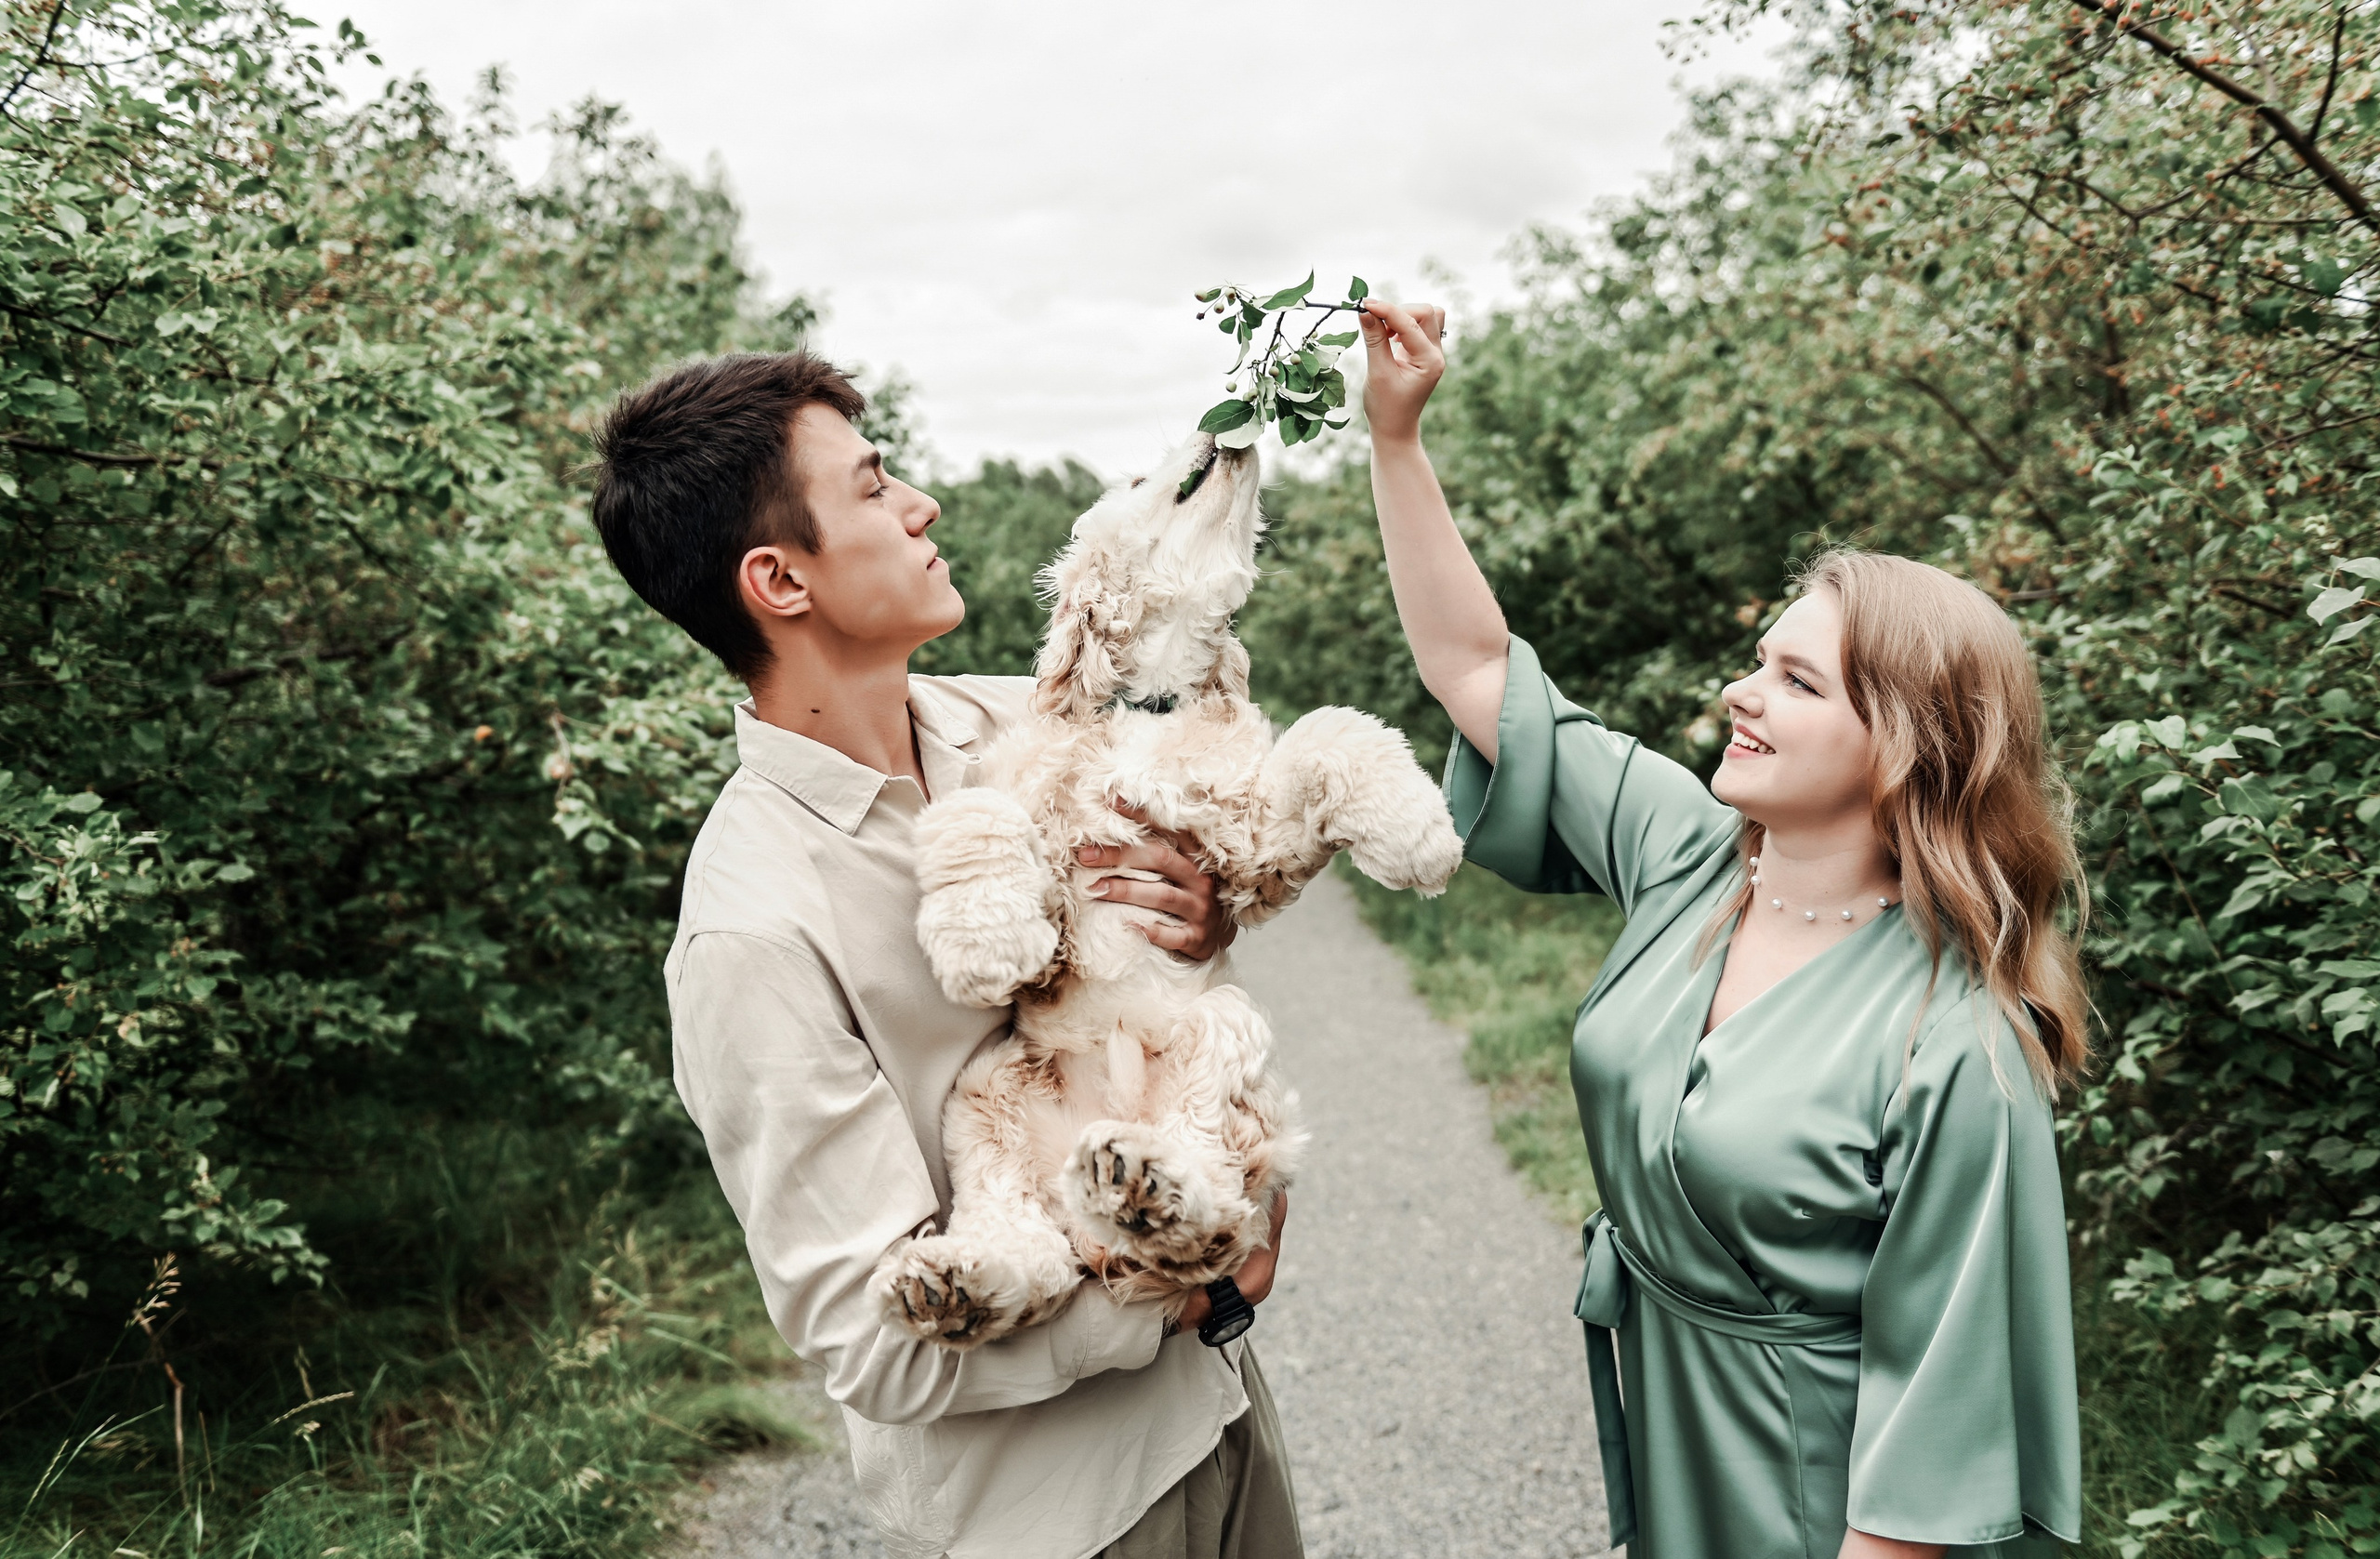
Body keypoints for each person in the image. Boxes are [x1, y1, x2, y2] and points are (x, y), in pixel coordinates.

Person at [1354, 300, 2085, 1559]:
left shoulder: (1958, 1043)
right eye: (1761, 660)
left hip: (1818, 1489)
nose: (1742, 693)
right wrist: (1395, 439)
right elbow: (1478, 672)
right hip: (1673, 1414)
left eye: (1797, 681)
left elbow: (1936, 1433)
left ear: (1907, 745)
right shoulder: (1688, 854)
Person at [588, 352, 1302, 1559]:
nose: (921, 506)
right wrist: (1196, 1292)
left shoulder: (1012, 724)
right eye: (873, 487)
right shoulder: (752, 927)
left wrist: (1205, 917)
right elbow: (870, 1335)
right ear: (778, 579)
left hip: (1219, 1412)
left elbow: (1168, 969)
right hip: (1066, 1513)